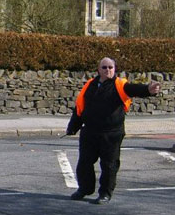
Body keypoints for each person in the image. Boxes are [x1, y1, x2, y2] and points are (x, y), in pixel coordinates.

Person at [66, 57, 160, 204]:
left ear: (115, 69)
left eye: (110, 67)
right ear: (98, 69)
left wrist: (148, 90)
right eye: (104, 67)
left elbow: (134, 89)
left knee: (109, 165)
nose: (107, 70)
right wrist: (73, 127)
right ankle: (84, 189)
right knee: (84, 162)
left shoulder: (119, 85)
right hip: (90, 132)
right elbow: (80, 108)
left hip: (111, 134)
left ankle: (105, 193)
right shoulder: (90, 85)